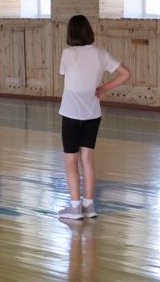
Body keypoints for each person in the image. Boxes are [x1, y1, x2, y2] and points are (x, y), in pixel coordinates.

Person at [56, 15, 131, 220]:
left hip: (71, 112)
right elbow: (125, 74)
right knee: (87, 158)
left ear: (71, 33)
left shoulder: (68, 53)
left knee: (71, 160)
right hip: (92, 113)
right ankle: (89, 205)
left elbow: (65, 74)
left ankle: (75, 207)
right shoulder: (101, 53)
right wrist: (103, 88)